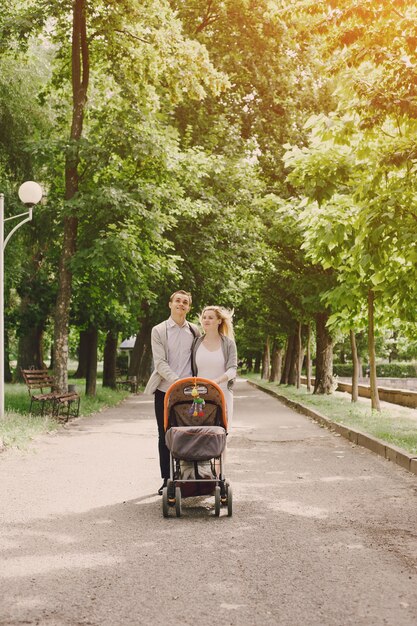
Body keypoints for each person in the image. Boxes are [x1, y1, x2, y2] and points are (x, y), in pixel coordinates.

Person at [144, 290, 200, 495]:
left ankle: (188, 477)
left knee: (189, 433)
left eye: (185, 302)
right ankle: (166, 478)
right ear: (170, 304)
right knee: (164, 434)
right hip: (165, 390)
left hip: (189, 393)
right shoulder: (158, 330)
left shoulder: (195, 331)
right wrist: (178, 382)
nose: (181, 304)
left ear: (189, 307)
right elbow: (159, 363)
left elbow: (198, 359)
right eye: (178, 301)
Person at [192, 306, 237, 429]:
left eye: (211, 317)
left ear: (219, 321)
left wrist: (216, 381)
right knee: (201, 433)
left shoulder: (228, 344)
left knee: (221, 434)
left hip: (222, 394)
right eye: (204, 317)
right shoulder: (196, 343)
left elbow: (233, 369)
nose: (206, 320)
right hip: (200, 395)